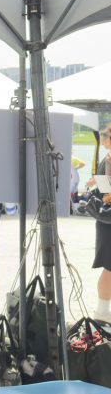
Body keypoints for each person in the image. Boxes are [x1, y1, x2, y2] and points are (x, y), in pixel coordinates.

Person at [85, 124, 111, 319]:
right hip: (108, 221)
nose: (102, 139)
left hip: (106, 220)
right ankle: (102, 312)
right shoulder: (108, 159)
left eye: (104, 136)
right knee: (109, 268)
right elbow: (107, 193)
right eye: (103, 135)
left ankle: (103, 311)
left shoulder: (107, 159)